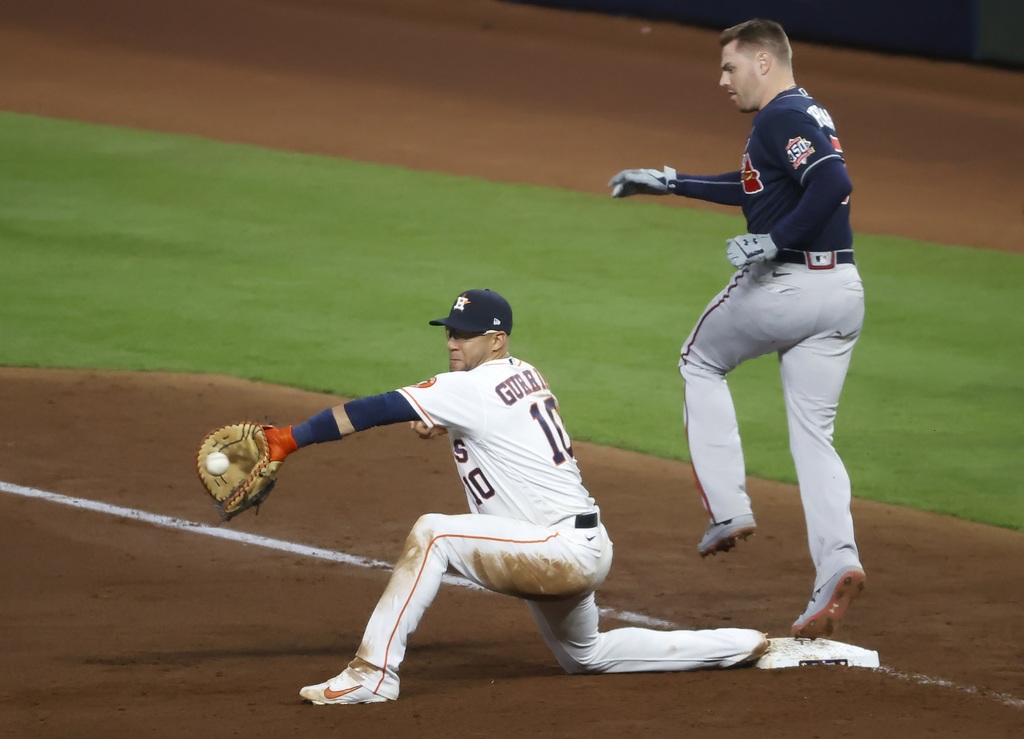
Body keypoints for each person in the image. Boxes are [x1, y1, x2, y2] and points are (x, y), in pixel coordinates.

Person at [259, 288, 768, 705]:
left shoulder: (470, 389)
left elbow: (372, 410)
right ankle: (742, 644)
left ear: (497, 340)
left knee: (434, 534)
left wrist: (288, 438)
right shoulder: (523, 372)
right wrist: (447, 424)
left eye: (465, 335)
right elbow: (501, 423)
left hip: (558, 550)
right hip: (577, 543)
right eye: (450, 332)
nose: (453, 342)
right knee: (585, 656)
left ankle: (373, 673)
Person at [607, 18, 866, 640]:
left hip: (788, 285)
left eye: (730, 67)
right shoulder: (803, 115)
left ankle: (727, 511)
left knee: (699, 360)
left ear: (764, 62)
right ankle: (839, 565)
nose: (721, 80)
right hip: (843, 295)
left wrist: (774, 241)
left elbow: (833, 183)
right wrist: (673, 182)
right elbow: (754, 187)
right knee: (814, 438)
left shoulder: (779, 116)